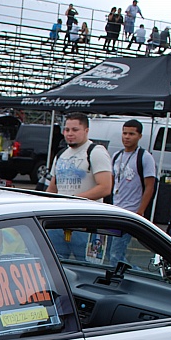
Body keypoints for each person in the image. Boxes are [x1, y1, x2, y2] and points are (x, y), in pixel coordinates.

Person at [45, 113, 112, 260]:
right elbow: (52, 189)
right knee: (54, 264)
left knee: (88, 267)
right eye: (67, 130)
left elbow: (105, 187)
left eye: (75, 130)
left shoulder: (96, 152)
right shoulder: (61, 154)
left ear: (86, 131)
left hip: (86, 224)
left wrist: (73, 200)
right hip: (58, 223)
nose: (70, 134)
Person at [109, 120, 156, 264]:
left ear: (139, 136)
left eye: (131, 134)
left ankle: (135, 273)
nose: (127, 137)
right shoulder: (116, 156)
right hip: (115, 209)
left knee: (115, 254)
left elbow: (150, 186)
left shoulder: (145, 157)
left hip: (130, 211)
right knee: (111, 253)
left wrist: (140, 211)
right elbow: (112, 182)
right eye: (124, 133)